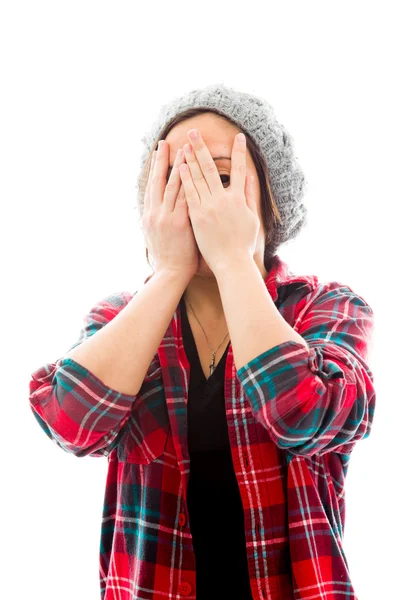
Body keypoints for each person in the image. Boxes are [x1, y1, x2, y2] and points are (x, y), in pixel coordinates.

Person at [29, 82, 376, 600]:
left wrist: (235, 260)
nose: (198, 198)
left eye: (220, 176)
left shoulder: (325, 308)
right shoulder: (121, 318)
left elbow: (304, 415)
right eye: (175, 180)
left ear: (271, 194)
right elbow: (69, 424)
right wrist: (170, 270)